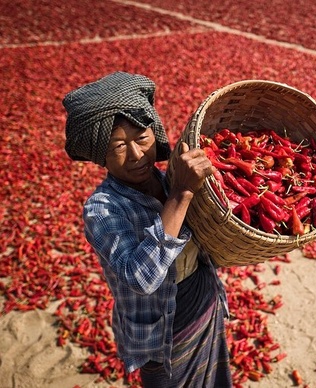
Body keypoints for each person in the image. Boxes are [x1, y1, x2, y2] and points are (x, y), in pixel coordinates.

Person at [62, 71, 233, 387]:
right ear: (101, 156)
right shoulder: (102, 208)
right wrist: (181, 194)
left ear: (155, 134)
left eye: (142, 138)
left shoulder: (168, 177)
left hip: (204, 302)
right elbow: (140, 278)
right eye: (118, 146)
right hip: (162, 333)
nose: (137, 155)